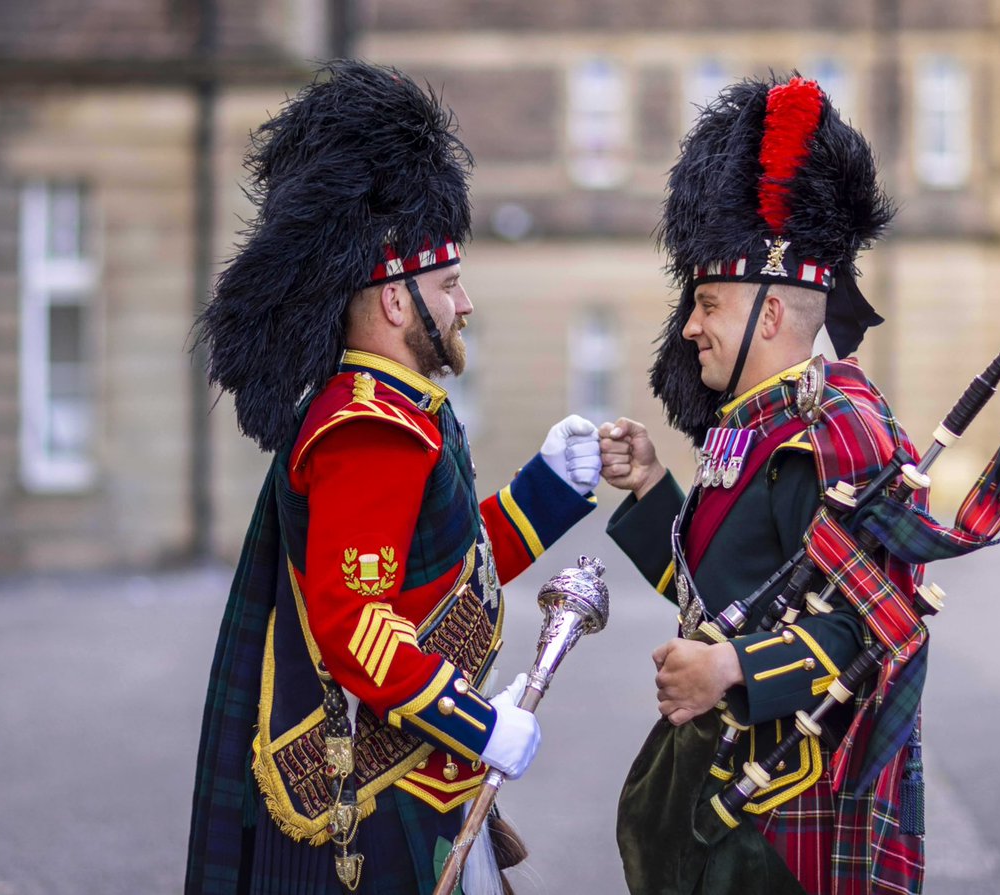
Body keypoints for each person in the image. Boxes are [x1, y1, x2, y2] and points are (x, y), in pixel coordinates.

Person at [185, 61, 601, 895]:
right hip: (367, 797)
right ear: (397, 302)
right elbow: (356, 624)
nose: (465, 304)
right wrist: (479, 724)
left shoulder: (400, 408)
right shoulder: (369, 428)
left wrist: (550, 488)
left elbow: (447, 570)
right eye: (449, 285)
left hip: (411, 773)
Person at [602, 75, 926, 895]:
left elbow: (873, 632)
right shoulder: (759, 425)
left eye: (708, 302)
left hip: (781, 820)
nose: (690, 324)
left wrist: (731, 670)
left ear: (771, 316)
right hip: (714, 792)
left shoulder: (835, 432)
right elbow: (732, 593)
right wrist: (649, 493)